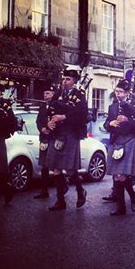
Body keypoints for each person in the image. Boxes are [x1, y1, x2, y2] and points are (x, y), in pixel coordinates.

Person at [46, 69, 88, 211]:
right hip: (58, 133)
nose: (65, 81)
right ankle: (60, 201)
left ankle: (80, 191)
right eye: (64, 79)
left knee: (70, 169)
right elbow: (50, 109)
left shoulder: (79, 95)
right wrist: (50, 122)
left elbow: (83, 116)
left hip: (71, 133)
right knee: (56, 169)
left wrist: (64, 117)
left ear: (74, 81)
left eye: (68, 79)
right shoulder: (58, 94)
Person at [104, 79, 135, 216]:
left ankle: (131, 199)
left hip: (129, 140)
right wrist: (110, 123)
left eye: (121, 92)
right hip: (116, 141)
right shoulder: (112, 107)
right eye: (116, 91)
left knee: (122, 176)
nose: (118, 94)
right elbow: (106, 125)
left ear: (127, 93)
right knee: (117, 177)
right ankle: (121, 207)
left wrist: (128, 120)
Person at [33, 85, 57, 199]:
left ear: (52, 94)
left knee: (56, 165)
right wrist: (42, 128)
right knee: (44, 165)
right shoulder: (42, 106)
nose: (45, 95)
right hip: (44, 137)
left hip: (54, 138)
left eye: (47, 93)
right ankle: (44, 191)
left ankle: (63, 186)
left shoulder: (57, 105)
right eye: (44, 93)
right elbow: (38, 121)